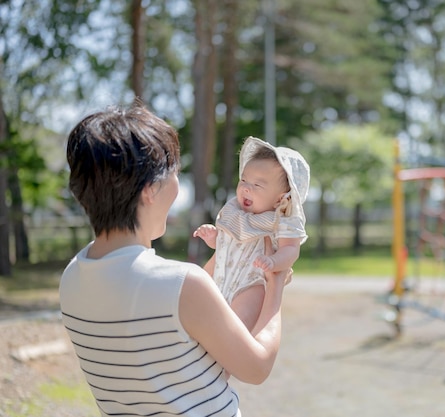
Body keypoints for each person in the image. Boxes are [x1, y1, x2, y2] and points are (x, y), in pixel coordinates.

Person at [59, 102, 288, 417]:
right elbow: (257, 367)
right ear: (151, 189)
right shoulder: (180, 285)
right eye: (175, 174)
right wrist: (275, 287)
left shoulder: (71, 278)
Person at [193, 136, 309, 331]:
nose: (246, 187)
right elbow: (225, 246)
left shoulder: (282, 219)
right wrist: (214, 238)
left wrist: (274, 261)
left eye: (257, 185)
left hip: (252, 282)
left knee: (236, 324)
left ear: (281, 198)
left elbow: (291, 249)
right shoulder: (236, 213)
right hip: (222, 277)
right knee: (203, 314)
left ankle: (234, 345)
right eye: (244, 180)